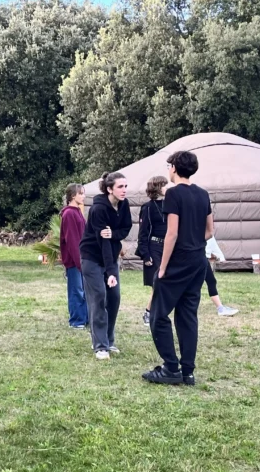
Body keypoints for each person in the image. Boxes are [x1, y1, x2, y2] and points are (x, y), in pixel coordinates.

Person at [143, 151, 213, 386]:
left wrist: (162, 268)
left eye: (169, 166)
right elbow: (210, 231)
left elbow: (171, 234)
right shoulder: (203, 194)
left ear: (173, 167)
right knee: (187, 315)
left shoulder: (173, 193)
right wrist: (193, 242)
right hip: (198, 261)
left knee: (158, 314)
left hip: (178, 261)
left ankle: (171, 368)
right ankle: (188, 372)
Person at [79, 172, 132, 360]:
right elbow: (104, 243)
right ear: (109, 189)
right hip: (92, 257)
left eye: (125, 186)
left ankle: (108, 340)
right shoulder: (98, 209)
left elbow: (126, 228)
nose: (124, 190)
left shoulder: (124, 204)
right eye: (120, 187)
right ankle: (100, 345)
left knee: (114, 297)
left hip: (110, 256)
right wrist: (110, 272)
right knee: (99, 297)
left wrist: (113, 234)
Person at [137, 176, 168, 326]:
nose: (168, 187)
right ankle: (148, 313)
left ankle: (160, 312)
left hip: (169, 247)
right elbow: (143, 233)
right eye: (164, 185)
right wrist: (145, 254)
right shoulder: (148, 207)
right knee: (158, 282)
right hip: (154, 247)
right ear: (157, 187)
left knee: (167, 282)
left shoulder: (171, 204)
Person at [60, 183, 88, 329]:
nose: (83, 196)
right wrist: (79, 261)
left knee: (84, 290)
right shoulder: (69, 213)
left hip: (82, 259)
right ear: (72, 196)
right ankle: (77, 320)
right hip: (74, 260)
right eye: (80, 193)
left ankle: (84, 317)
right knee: (76, 290)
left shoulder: (77, 211)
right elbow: (71, 240)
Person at [205, 237, 239, 317]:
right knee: (210, 281)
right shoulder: (202, 230)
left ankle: (220, 308)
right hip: (198, 257)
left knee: (211, 281)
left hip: (200, 257)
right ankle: (220, 309)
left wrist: (220, 255)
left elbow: (211, 241)